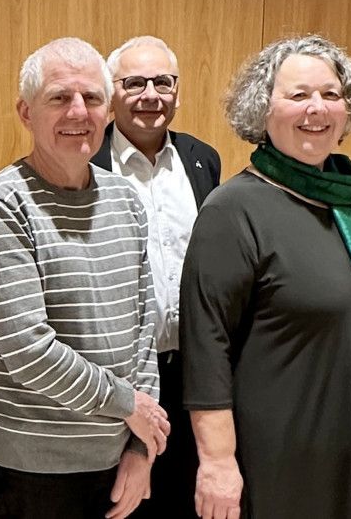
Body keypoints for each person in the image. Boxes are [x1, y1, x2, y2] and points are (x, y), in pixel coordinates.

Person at [181, 34, 351, 519]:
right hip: (283, 457)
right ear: (261, 110)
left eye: (331, 94)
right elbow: (206, 347)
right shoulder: (233, 209)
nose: (317, 108)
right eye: (299, 95)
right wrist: (217, 463)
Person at [0, 37, 170, 519]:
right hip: (34, 474)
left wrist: (142, 448)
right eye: (59, 97)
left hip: (123, 457)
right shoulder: (1, 207)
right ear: (26, 112)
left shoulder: (125, 200)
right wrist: (128, 407)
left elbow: (144, 329)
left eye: (92, 98)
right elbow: (30, 352)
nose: (79, 111)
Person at [91, 35, 221, 518]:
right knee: (122, 502)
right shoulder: (87, 162)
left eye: (162, 82)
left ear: (177, 91)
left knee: (183, 500)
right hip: (118, 376)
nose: (150, 94)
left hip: (192, 370)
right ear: (112, 93)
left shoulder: (202, 159)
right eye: (134, 82)